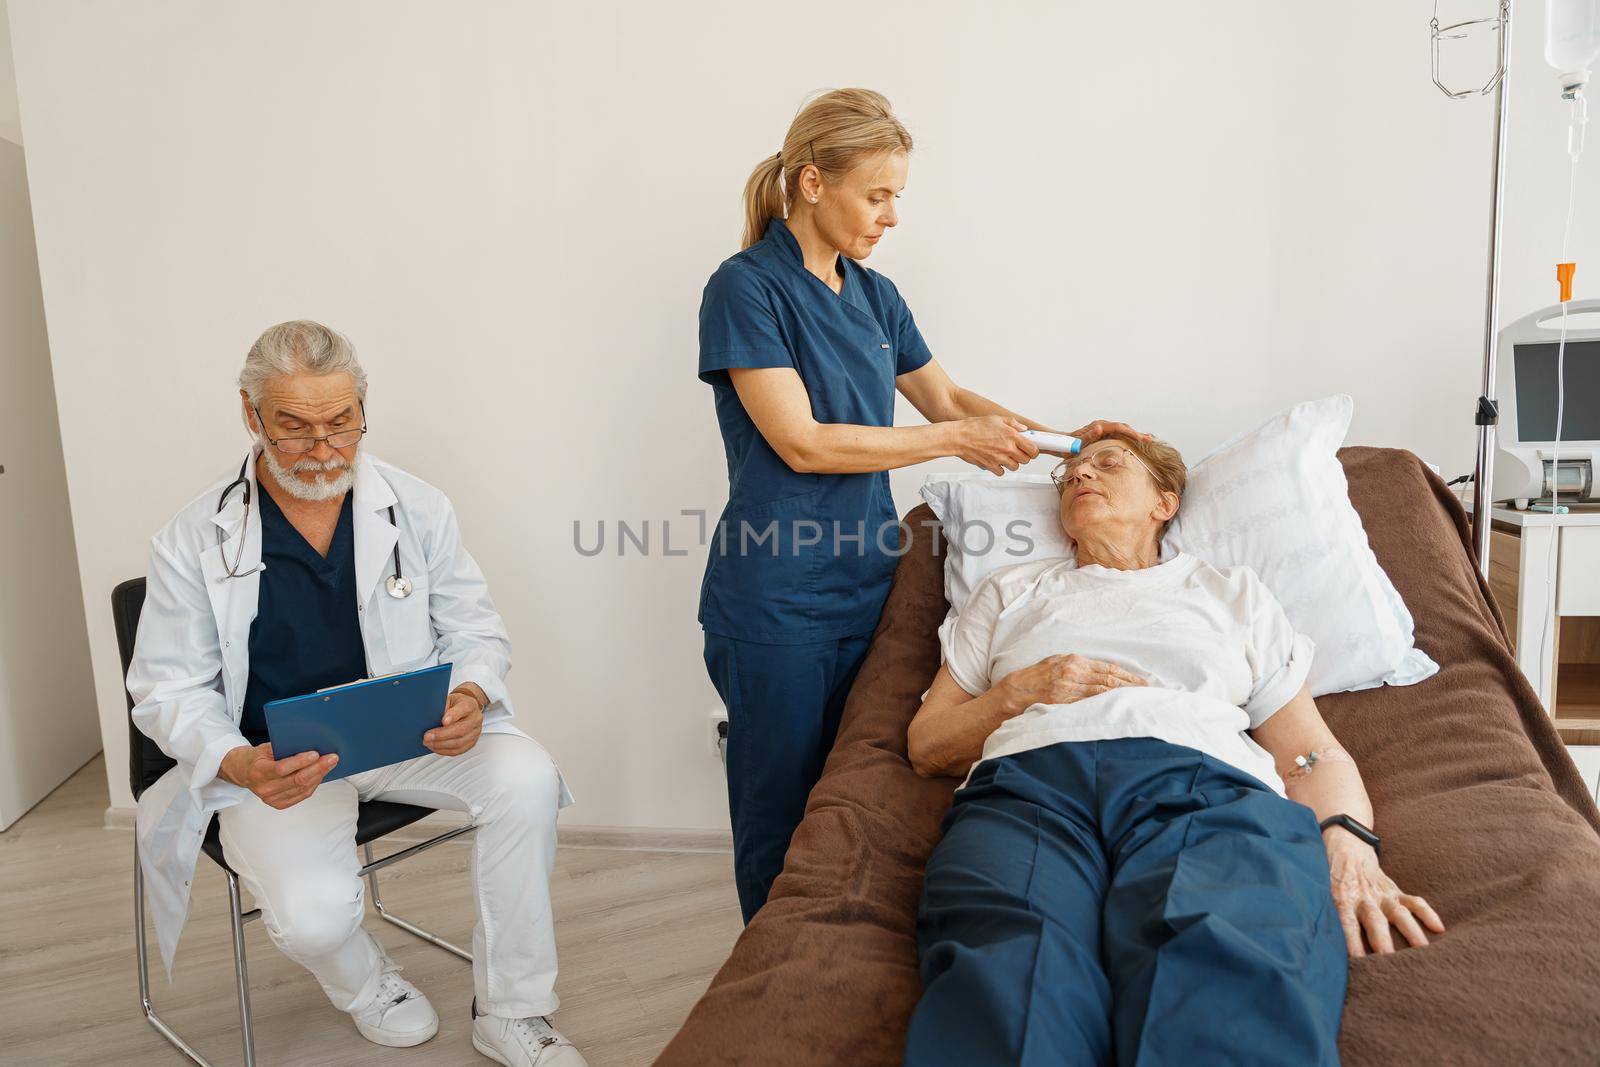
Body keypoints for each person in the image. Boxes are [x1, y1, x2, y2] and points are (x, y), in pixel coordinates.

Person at [697, 87, 1141, 923]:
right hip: (776, 598)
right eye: (877, 194)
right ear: (811, 183)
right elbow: (803, 441)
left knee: (857, 796)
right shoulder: (744, 289)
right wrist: (953, 443)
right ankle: (772, 973)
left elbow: (947, 400)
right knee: (775, 816)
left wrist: (1066, 443)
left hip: (870, 589)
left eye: (898, 195)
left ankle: (839, 954)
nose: (892, 215)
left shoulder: (875, 296)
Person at [901, 434, 1446, 1066]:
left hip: (1203, 788)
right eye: (1070, 472)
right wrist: (1020, 691)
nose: (1079, 474)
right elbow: (927, 745)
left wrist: (1352, 849)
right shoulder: (1008, 591)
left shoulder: (1231, 592)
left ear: (1165, 502)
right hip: (1028, 789)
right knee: (1006, 972)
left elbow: (1310, 753)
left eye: (1108, 464)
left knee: (1223, 953)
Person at [128, 321, 586, 1066]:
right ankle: (367, 980)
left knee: (527, 779)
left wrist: (471, 690)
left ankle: (515, 1008)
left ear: (363, 404)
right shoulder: (192, 539)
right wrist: (238, 764)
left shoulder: (417, 507)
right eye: (295, 427)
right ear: (251, 415)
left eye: (341, 421)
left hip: (406, 737)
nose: (324, 448)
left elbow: (475, 627)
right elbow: (166, 687)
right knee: (311, 920)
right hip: (279, 766)